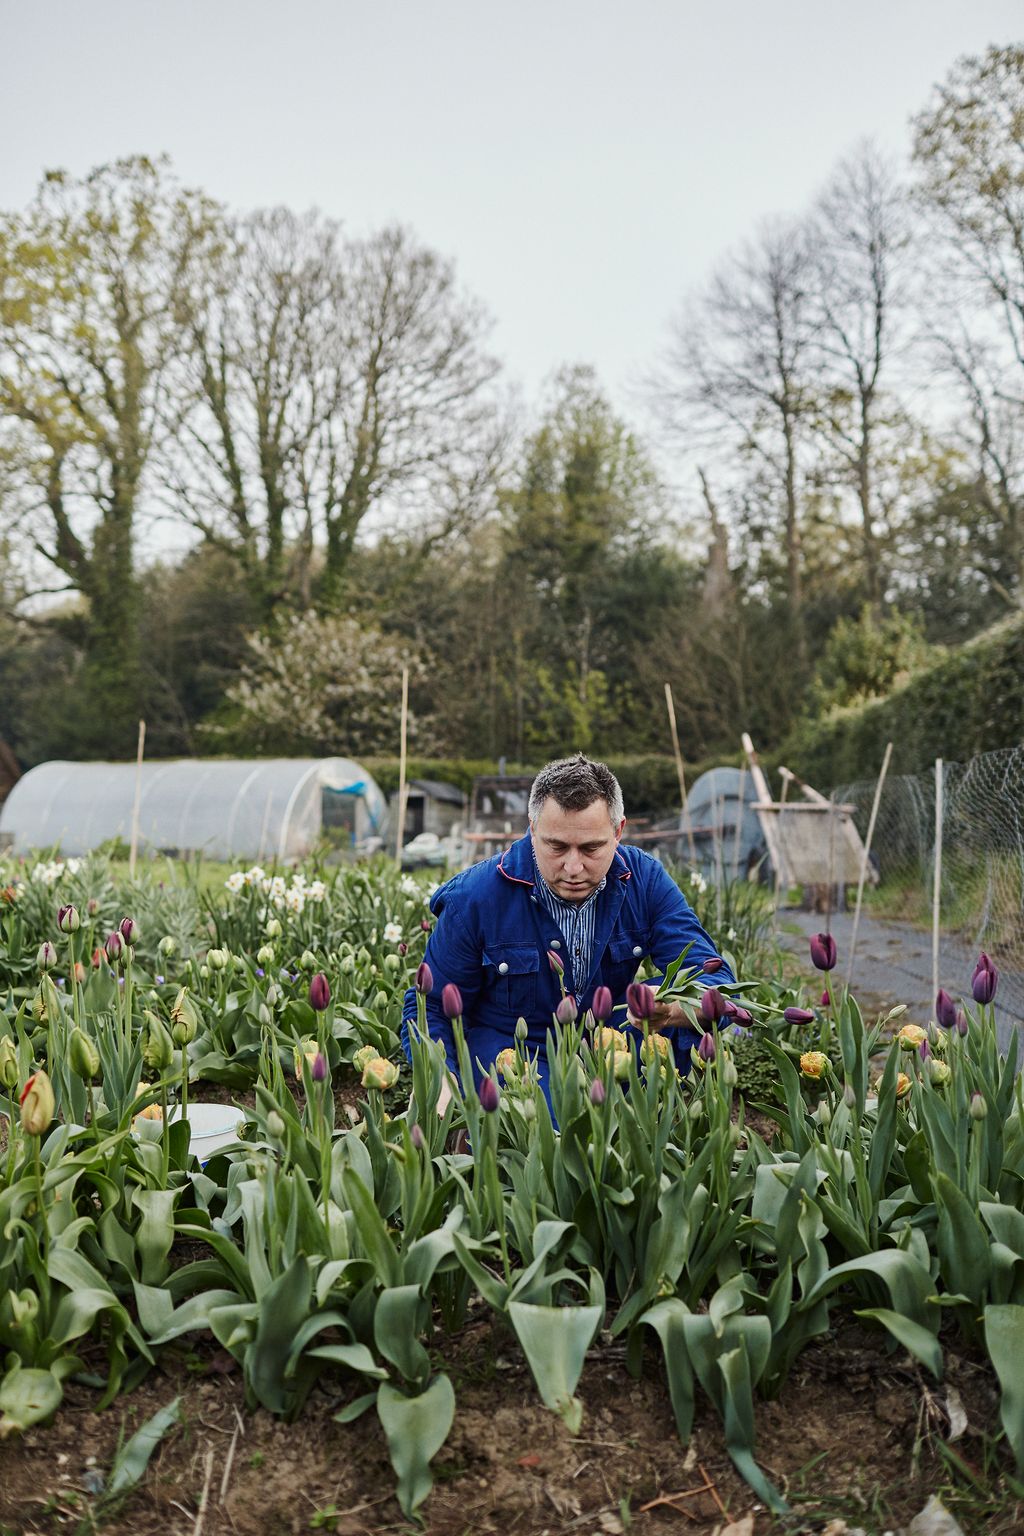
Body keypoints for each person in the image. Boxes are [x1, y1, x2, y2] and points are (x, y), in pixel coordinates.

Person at [400, 753, 735, 1112]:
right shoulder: (476, 896)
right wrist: (440, 1081)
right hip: (518, 1057)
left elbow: (717, 982)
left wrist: (673, 1007)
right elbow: (429, 1008)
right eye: (556, 846)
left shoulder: (645, 881)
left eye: (592, 848)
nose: (573, 867)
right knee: (543, 1125)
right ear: (532, 829)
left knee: (654, 1090)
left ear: (618, 831)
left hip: (611, 1048)